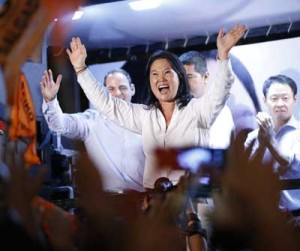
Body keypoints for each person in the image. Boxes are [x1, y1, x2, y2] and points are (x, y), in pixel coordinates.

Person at [66, 24, 247, 189]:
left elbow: (220, 90)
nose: (161, 78)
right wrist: (81, 70)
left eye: (167, 72)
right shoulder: (145, 116)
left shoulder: (198, 110)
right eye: (155, 73)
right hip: (155, 204)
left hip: (192, 199)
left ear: (180, 78)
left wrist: (223, 56)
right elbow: (107, 104)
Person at [40, 68, 145, 192]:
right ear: (103, 92)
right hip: (106, 202)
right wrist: (51, 101)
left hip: (144, 200)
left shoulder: (147, 118)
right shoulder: (91, 121)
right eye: (111, 89)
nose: (117, 93)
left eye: (122, 87)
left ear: (132, 89)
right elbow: (59, 124)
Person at [244, 74, 300, 216]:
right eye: (274, 98)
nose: (280, 103)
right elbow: (246, 172)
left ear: (295, 99)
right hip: (262, 219)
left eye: (285, 98)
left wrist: (269, 140)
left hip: (296, 218)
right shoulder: (253, 136)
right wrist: (262, 143)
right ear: (264, 100)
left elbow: (290, 163)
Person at [179, 50, 235, 149]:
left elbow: (217, 155)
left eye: (189, 77)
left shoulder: (220, 113)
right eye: (180, 78)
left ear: (205, 77)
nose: (183, 83)